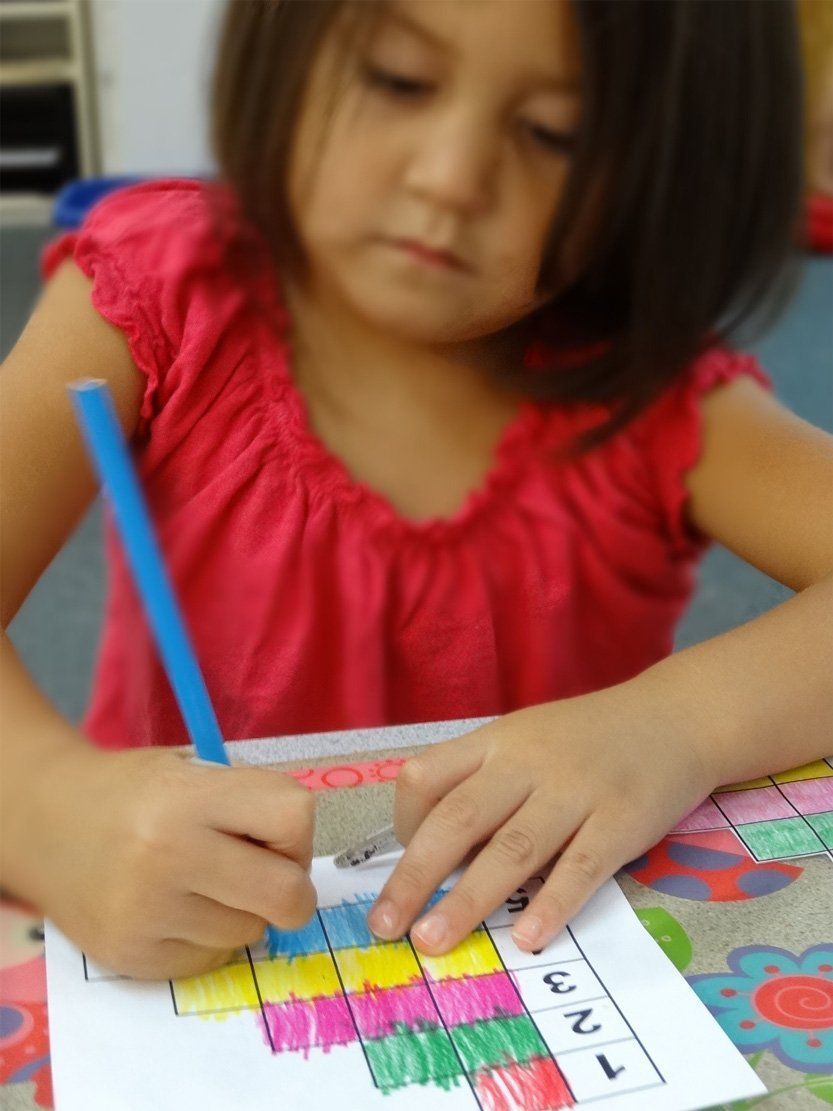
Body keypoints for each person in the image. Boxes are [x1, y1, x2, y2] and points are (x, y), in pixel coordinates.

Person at [1, 0, 831, 982]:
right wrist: (46, 807)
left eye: (552, 134)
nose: (443, 179)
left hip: (510, 962)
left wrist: (677, 725)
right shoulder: (157, 284)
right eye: (394, 78)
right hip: (187, 931)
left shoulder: (638, 390)